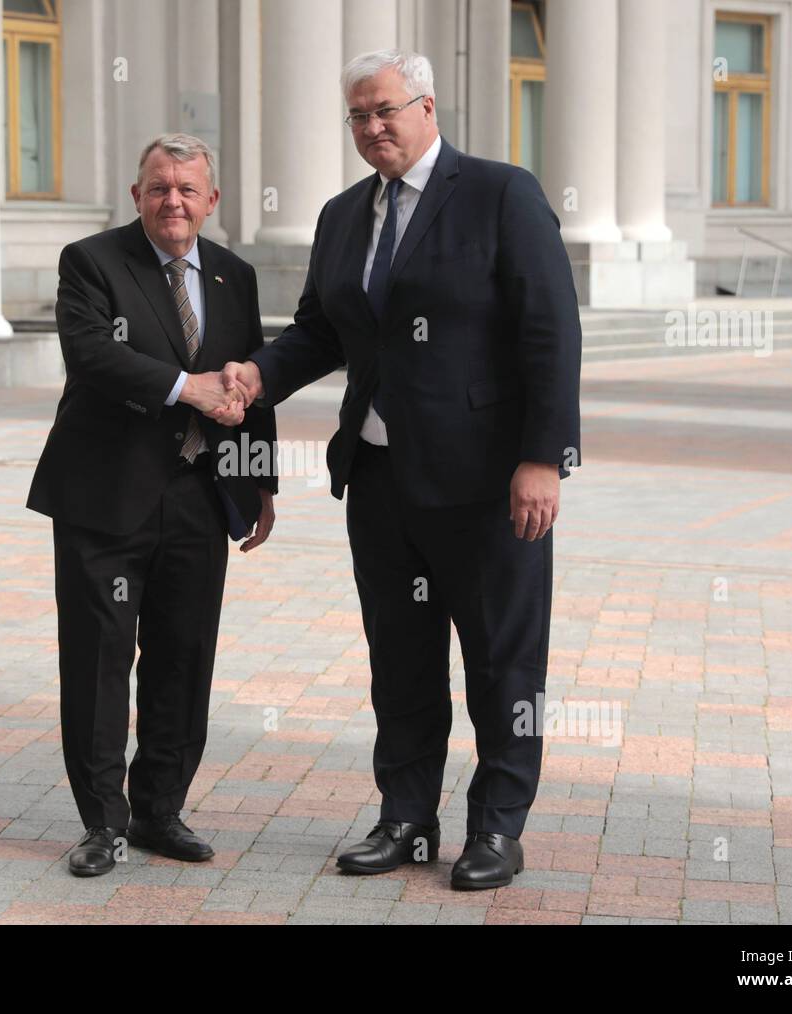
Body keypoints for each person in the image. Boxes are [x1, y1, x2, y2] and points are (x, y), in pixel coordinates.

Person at [221, 50, 581, 890]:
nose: (371, 127)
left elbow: (550, 332)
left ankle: (497, 828)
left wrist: (544, 459)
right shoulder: (345, 214)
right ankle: (407, 818)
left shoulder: (500, 194)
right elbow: (318, 329)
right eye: (356, 116)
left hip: (488, 485)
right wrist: (257, 375)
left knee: (502, 663)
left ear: (426, 105)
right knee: (402, 662)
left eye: (384, 109)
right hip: (380, 481)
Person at [27, 133, 277, 877]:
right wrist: (184, 386)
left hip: (200, 496)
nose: (173, 201)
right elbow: (93, 355)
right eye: (159, 187)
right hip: (105, 499)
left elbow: (251, 380)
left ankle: (159, 811)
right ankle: (102, 824)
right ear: (137, 195)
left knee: (184, 659)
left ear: (212, 201)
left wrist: (258, 480)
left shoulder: (234, 275)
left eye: (187, 190)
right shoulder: (92, 261)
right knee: (101, 661)